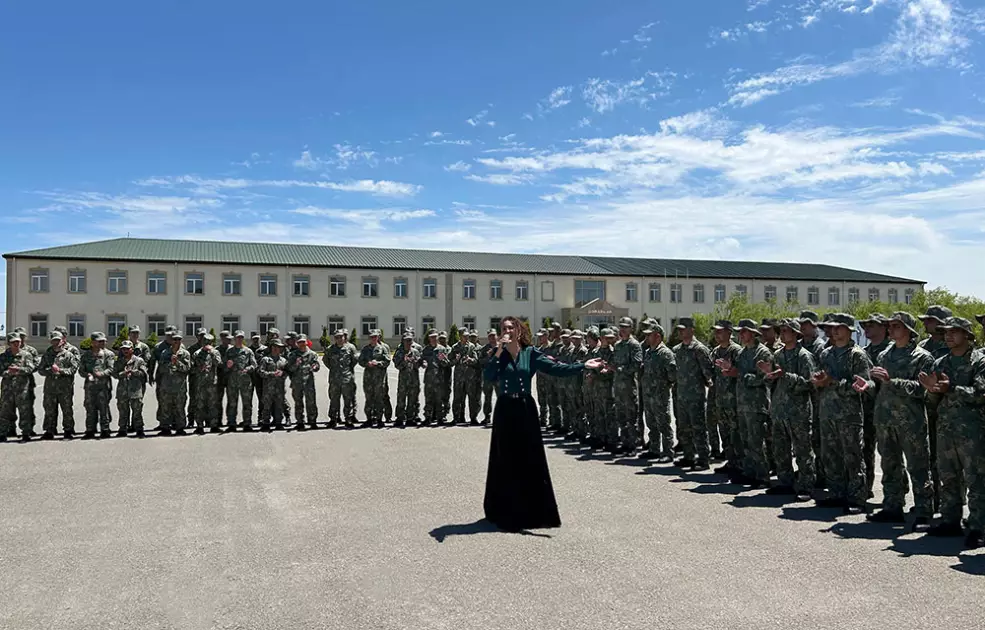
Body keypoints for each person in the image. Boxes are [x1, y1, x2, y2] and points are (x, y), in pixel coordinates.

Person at [482, 316, 603, 531]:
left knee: (528, 459)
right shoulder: (497, 356)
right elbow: (489, 376)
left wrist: (583, 365)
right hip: (505, 410)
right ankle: (505, 511)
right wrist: (498, 350)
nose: (507, 331)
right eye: (504, 328)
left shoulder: (531, 354)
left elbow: (557, 369)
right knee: (505, 459)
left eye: (511, 327)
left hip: (525, 409)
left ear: (519, 331)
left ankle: (531, 510)